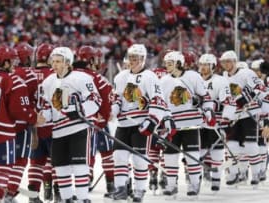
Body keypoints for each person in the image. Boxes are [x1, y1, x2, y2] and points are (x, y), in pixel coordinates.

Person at [0, 45, 44, 202]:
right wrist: (34, 118)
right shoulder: (15, 81)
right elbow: (18, 110)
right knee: (3, 167)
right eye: (12, 61)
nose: (15, 64)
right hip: (3, 132)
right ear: (5, 62)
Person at [109, 44, 173, 202]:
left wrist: (151, 121)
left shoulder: (150, 77)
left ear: (143, 59)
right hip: (123, 124)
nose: (133, 61)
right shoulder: (120, 77)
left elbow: (158, 101)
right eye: (131, 58)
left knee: (139, 159)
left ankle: (139, 190)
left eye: (136, 58)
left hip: (140, 124)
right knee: (119, 157)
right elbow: (117, 99)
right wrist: (112, 112)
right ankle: (121, 188)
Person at [40, 47, 102, 202]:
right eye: (53, 61)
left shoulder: (82, 78)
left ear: (68, 62)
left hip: (78, 128)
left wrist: (80, 110)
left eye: (58, 61)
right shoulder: (47, 82)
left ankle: (82, 199)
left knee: (80, 165)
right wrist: (42, 117)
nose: (54, 64)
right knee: (60, 168)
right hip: (59, 131)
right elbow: (48, 108)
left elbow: (95, 100)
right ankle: (68, 199)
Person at [160, 50, 216, 197]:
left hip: (191, 124)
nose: (167, 66)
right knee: (169, 157)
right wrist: (165, 120)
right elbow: (161, 104)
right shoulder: (163, 81)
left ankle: (194, 184)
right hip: (172, 126)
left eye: (170, 63)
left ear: (179, 63)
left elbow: (206, 97)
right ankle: (171, 185)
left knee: (192, 156)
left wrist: (208, 110)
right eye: (166, 63)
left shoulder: (193, 76)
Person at [220, 50, 266, 187]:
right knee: (232, 146)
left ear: (234, 61)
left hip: (248, 114)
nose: (226, 64)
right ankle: (234, 173)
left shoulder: (246, 73)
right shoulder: (223, 77)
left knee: (251, 146)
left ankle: (257, 173)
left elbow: (261, 88)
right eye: (223, 62)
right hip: (234, 116)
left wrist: (245, 99)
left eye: (228, 61)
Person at [73, 45, 115, 196]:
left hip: (72, 125)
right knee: (108, 151)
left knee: (86, 154)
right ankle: (111, 184)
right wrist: (104, 118)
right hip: (96, 123)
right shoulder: (97, 78)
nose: (99, 62)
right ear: (91, 60)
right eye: (96, 59)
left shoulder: (68, 74)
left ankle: (84, 181)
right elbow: (107, 101)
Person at [4, 42, 38, 202]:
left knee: (7, 162)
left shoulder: (8, 74)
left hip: (5, 124)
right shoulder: (30, 75)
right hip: (22, 123)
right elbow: (34, 101)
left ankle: (0, 190)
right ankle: (9, 193)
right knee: (21, 160)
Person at [197, 53, 236, 191]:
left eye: (206, 65)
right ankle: (197, 178)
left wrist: (226, 118)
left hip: (215, 121)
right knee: (198, 151)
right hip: (198, 122)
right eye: (201, 64)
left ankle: (216, 178)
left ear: (213, 66)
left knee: (217, 152)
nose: (203, 67)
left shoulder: (220, 81)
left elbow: (228, 102)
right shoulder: (194, 79)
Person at [26, 43, 57, 203]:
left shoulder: (28, 74)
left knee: (36, 162)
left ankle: (33, 196)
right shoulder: (54, 74)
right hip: (52, 124)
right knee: (57, 160)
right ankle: (58, 193)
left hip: (34, 125)